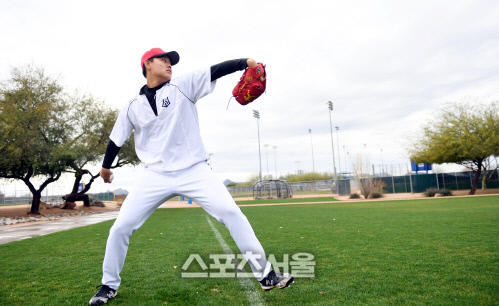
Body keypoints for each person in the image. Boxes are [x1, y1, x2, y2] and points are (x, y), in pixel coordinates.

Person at [89, 48, 294, 305]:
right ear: (147, 65)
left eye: (170, 61)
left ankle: (266, 275)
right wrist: (106, 167)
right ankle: (108, 285)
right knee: (121, 227)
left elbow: (216, 69)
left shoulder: (182, 85)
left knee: (231, 213)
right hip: (154, 175)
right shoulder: (132, 105)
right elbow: (116, 138)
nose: (169, 64)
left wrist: (246, 63)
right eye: (163, 60)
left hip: (195, 170)